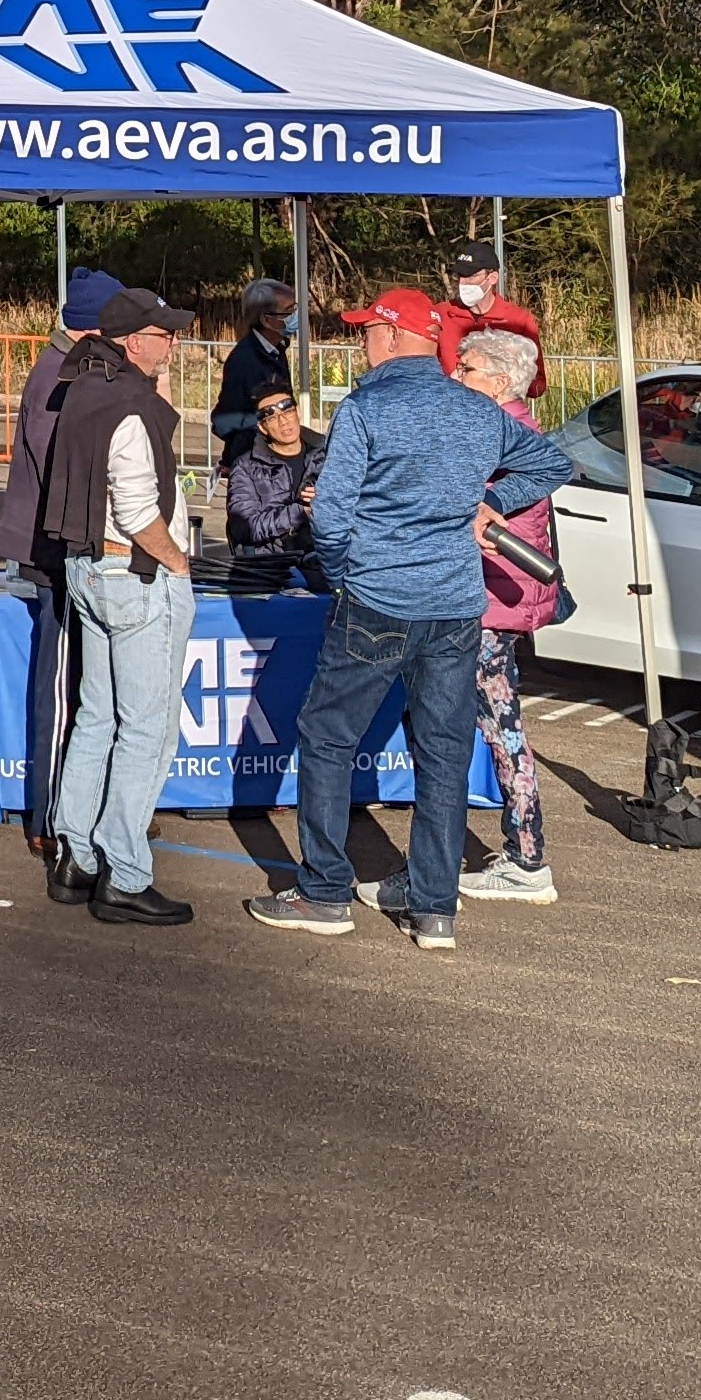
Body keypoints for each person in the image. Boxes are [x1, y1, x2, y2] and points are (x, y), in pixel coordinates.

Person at [246, 286, 573, 952]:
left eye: (368, 329)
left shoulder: (367, 407)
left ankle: (325, 891)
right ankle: (432, 906)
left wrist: (343, 573)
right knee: (445, 750)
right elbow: (552, 460)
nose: (361, 339)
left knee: (328, 735)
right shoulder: (473, 407)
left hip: (380, 598)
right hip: (454, 604)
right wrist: (493, 503)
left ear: (395, 335)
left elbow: (332, 516)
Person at [36, 286, 200, 927]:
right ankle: (125, 873)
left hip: (88, 567)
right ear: (135, 342)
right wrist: (176, 560)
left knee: (98, 717)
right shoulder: (130, 404)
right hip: (132, 573)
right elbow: (137, 510)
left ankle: (76, 854)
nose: (175, 345)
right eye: (164, 335)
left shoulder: (82, 387)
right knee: (147, 731)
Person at [0, 266, 124, 855]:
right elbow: (61, 472)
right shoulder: (58, 380)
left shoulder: (67, 371)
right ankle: (48, 816)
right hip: (56, 550)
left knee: (81, 683)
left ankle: (77, 806)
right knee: (61, 685)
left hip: (62, 544)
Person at [451, 327, 560, 901]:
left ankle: (526, 856)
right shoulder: (510, 426)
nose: (455, 377)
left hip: (493, 600)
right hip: (499, 596)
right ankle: (522, 851)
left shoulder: (505, 432)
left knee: (502, 726)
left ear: (496, 381)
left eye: (465, 370)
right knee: (499, 723)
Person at [222, 385, 324, 585]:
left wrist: (330, 503)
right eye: (271, 416)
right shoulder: (246, 467)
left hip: (328, 563)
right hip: (275, 570)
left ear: (298, 413)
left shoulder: (329, 454)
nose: (283, 420)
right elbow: (243, 528)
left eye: (287, 410)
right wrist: (300, 512)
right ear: (262, 426)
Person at [208, 278, 299, 468]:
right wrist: (265, 423)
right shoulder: (244, 360)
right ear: (266, 320)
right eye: (289, 312)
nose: (295, 316)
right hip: (252, 463)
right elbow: (225, 419)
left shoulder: (275, 350)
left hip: (273, 457)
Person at [447, 241, 545, 399]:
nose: (462, 283)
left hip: (500, 413)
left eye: (471, 276)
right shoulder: (441, 315)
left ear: (492, 278)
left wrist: (497, 386)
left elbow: (538, 384)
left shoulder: (519, 320)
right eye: (459, 276)